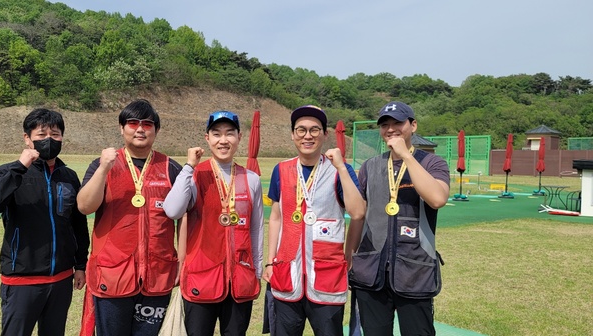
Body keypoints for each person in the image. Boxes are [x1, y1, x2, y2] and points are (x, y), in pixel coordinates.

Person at [0, 108, 90, 336]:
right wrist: (20, 167)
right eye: (41, 135)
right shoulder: (8, 172)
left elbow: (78, 224)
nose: (49, 139)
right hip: (21, 279)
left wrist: (80, 265)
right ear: (27, 138)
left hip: (60, 279)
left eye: (55, 134)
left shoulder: (68, 176)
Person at [77, 99, 183, 336]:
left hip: (157, 275)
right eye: (133, 123)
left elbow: (184, 218)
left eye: (147, 124)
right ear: (121, 128)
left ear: (156, 129)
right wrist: (104, 168)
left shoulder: (170, 167)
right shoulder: (103, 164)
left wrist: (182, 262)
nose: (140, 128)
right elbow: (84, 206)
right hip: (112, 274)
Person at [263, 105, 365, 336]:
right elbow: (276, 218)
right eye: (301, 130)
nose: (307, 135)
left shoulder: (340, 169)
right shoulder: (281, 169)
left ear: (325, 135)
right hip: (287, 275)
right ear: (292, 134)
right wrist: (270, 260)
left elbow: (358, 212)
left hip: (327, 275)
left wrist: (340, 166)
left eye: (314, 130)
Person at [349, 101, 449, 336]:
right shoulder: (370, 166)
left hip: (415, 271)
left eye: (398, 123)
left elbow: (437, 199)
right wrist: (349, 259)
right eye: (385, 124)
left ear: (413, 126)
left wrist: (406, 155)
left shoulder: (432, 163)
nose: (391, 129)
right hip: (371, 272)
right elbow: (358, 216)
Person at [162, 110, 264, 336]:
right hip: (202, 276)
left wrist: (255, 273)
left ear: (239, 137)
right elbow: (172, 210)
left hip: (240, 280)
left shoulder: (252, 179)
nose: (223, 140)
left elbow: (256, 229)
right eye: (216, 134)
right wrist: (189, 166)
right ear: (207, 138)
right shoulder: (195, 175)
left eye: (229, 133)